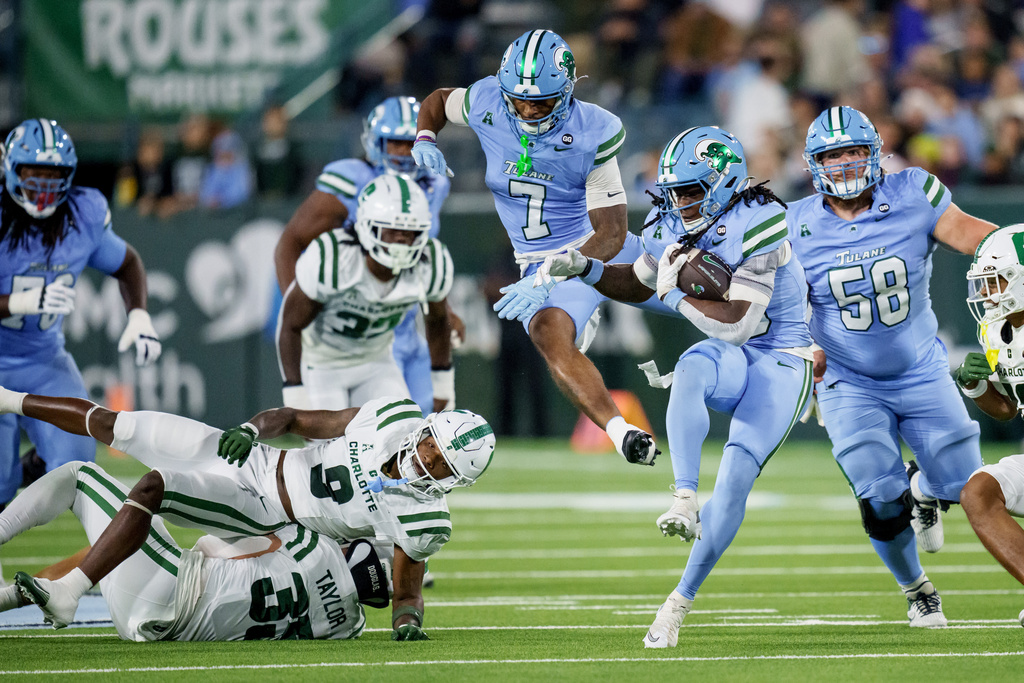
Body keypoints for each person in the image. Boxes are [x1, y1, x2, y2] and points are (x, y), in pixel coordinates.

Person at [538, 126, 814, 648]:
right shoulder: (670, 222)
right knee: (690, 364)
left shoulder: (760, 220)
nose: (679, 202)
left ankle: (677, 603)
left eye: (691, 190)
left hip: (781, 357)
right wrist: (587, 267)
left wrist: (676, 295)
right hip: (734, 354)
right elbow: (639, 280)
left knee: (734, 481)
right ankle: (684, 498)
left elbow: (737, 324)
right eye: (674, 191)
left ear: (724, 179)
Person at [0, 386, 493, 639]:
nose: (428, 464)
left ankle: (69, 589)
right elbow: (296, 419)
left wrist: (407, 620)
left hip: (263, 513)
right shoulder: (392, 416)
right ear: (424, 430)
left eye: (443, 468)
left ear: (457, 482)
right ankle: (8, 399)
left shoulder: (425, 521)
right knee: (113, 425)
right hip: (256, 461)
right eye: (432, 448)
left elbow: (405, 589)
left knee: (152, 489)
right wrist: (254, 429)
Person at [786, 105, 997, 627]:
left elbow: (975, 236)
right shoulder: (792, 224)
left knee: (967, 486)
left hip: (922, 369)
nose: (844, 164)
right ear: (814, 163)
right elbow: (775, 306)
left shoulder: (913, 192)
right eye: (832, 155)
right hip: (845, 379)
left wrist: (1014, 248)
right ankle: (916, 588)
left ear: (875, 151)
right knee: (878, 493)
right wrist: (796, 349)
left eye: (854, 150)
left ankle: (925, 489)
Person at [412, 29, 659, 465]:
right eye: (519, 99)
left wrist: (553, 274)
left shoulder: (593, 130)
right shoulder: (487, 101)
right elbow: (436, 101)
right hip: (538, 262)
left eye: (541, 101)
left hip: (594, 246)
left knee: (696, 288)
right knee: (548, 334)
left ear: (567, 91)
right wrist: (425, 138)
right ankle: (621, 433)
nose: (527, 109)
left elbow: (612, 233)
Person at [0, 461, 389, 640]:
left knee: (79, 477)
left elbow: (215, 545)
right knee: (128, 534)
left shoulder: (310, 543)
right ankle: (12, 596)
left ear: (349, 547)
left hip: (167, 592)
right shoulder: (346, 628)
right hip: (169, 627)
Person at [0, 118, 162, 510]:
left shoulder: (82, 215)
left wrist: (138, 314)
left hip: (42, 357)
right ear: (9, 168)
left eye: (52, 175)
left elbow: (126, 263)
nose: (42, 185)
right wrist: (19, 303)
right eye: (32, 172)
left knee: (78, 465)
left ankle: (21, 472)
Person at [273, 96, 461, 416]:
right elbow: (290, 244)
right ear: (375, 143)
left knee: (424, 424)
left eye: (411, 143)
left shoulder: (434, 183)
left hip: (396, 321)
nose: (405, 154)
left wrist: (444, 307)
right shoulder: (351, 180)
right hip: (350, 324)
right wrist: (302, 302)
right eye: (396, 144)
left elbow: (418, 258)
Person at [955, 223, 1024, 624]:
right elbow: (1007, 410)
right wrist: (976, 386)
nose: (987, 291)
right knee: (978, 493)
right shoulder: (994, 328)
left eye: (997, 279)